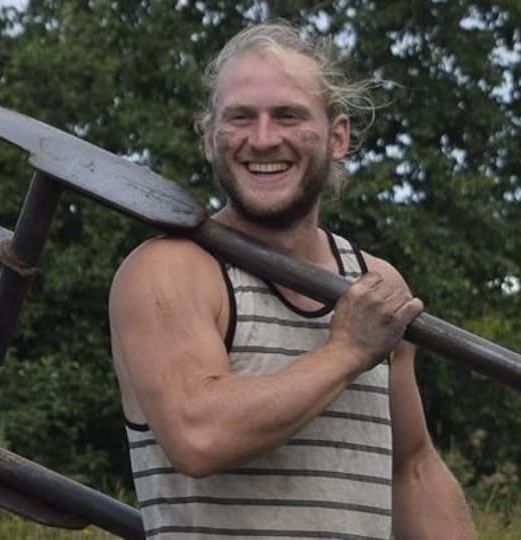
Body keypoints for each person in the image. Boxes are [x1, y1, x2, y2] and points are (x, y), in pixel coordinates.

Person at [109, 22, 474, 540]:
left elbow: (412, 469)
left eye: (288, 115)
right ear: (209, 139)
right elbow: (199, 435)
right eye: (240, 118)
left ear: (338, 136)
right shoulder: (170, 270)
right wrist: (346, 351)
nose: (262, 139)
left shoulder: (374, 282)